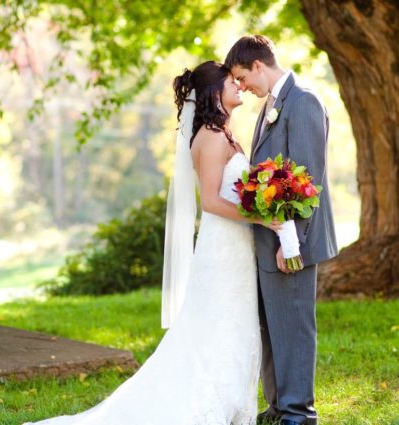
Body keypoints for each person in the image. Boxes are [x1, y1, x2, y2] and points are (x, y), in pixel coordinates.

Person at [23, 60, 280, 425]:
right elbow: (209, 201)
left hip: (239, 249)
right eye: (230, 81)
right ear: (212, 92)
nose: (238, 86)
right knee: (217, 323)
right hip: (221, 250)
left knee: (237, 324)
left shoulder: (225, 133)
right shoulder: (208, 137)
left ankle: (234, 404)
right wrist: (258, 217)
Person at [224, 35, 338, 425]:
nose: (241, 87)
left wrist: (292, 245)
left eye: (242, 77)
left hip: (291, 243)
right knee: (273, 327)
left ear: (259, 65)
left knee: (293, 324)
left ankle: (298, 411)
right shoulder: (270, 105)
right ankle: (278, 406)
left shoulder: (303, 101)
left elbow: (308, 183)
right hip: (270, 239)